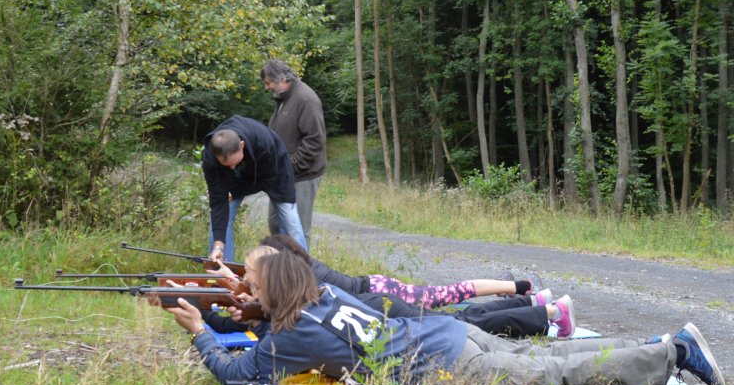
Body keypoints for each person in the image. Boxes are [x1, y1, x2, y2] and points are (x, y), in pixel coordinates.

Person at [168, 251, 725, 385]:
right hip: (448, 335)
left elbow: (239, 373)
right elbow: (290, 336)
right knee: (551, 354)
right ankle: (655, 343)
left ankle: (673, 353)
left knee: (560, 374)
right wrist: (253, 312)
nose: (248, 289)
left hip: (451, 364)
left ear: (275, 288)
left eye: (252, 283)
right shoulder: (325, 294)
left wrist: (200, 330)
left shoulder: (293, 332)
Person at [243, 234, 575, 338]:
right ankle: (534, 303)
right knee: (462, 312)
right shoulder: (301, 266)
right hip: (377, 292)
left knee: (460, 308)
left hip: (381, 298)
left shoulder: (299, 276)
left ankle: (534, 299)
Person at [202, 115, 307, 263]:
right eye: (227, 165)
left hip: (275, 172)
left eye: (235, 162)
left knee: (290, 222)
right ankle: (221, 268)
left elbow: (264, 181)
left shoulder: (263, 142)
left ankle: (306, 269)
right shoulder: (210, 159)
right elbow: (218, 203)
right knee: (223, 217)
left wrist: (236, 191)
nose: (232, 167)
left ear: (242, 145)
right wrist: (218, 245)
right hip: (236, 178)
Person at [261, 59, 327, 250]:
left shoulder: (306, 99)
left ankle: (301, 267)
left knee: (297, 229)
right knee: (275, 223)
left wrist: (289, 167)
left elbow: (315, 141)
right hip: (282, 176)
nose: (267, 87)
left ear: (282, 79)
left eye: (268, 83)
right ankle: (282, 264)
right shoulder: (283, 99)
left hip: (303, 176)